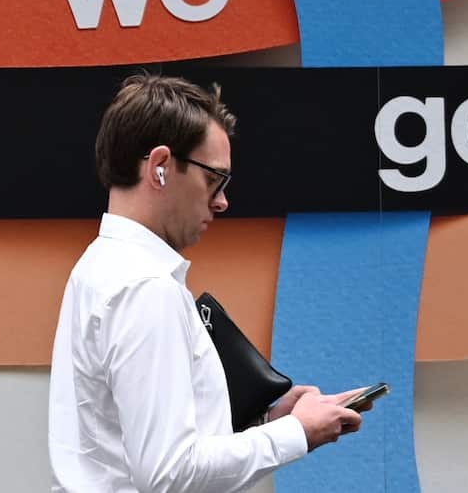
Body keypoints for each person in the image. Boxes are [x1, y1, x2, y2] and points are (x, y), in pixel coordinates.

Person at [48, 73, 369, 493]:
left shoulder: (100, 268)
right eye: (213, 179)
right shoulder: (145, 287)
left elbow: (142, 454)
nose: (222, 201)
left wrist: (270, 425)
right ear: (161, 167)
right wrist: (297, 434)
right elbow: (170, 474)